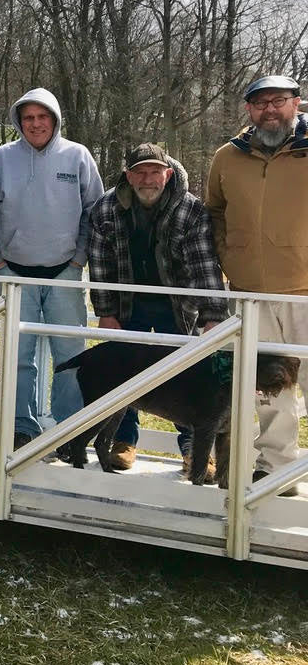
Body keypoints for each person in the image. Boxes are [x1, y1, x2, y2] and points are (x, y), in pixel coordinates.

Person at [0, 87, 103, 451]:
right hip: (14, 275)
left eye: (42, 116)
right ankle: (21, 428)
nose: (35, 124)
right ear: (19, 121)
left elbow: (94, 214)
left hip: (64, 272)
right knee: (18, 356)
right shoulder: (1, 159)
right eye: (28, 117)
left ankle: (68, 431)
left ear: (55, 119)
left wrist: (78, 262)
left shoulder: (77, 156)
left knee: (71, 357)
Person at [87, 142, 227, 473]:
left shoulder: (190, 209)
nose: (147, 179)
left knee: (187, 374)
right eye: (140, 172)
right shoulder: (106, 208)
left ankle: (193, 448)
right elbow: (100, 265)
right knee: (123, 373)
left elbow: (204, 264)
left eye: (154, 172)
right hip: (127, 305)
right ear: (128, 175)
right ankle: (123, 440)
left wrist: (212, 316)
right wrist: (105, 312)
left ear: (167, 173)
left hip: (176, 305)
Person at [204, 74, 308, 494]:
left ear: (296, 103)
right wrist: (231, 258)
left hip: (306, 290)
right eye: (260, 102)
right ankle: (277, 467)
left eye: (278, 101)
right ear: (248, 109)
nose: (269, 109)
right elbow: (214, 211)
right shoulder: (228, 157)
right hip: (251, 293)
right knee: (271, 387)